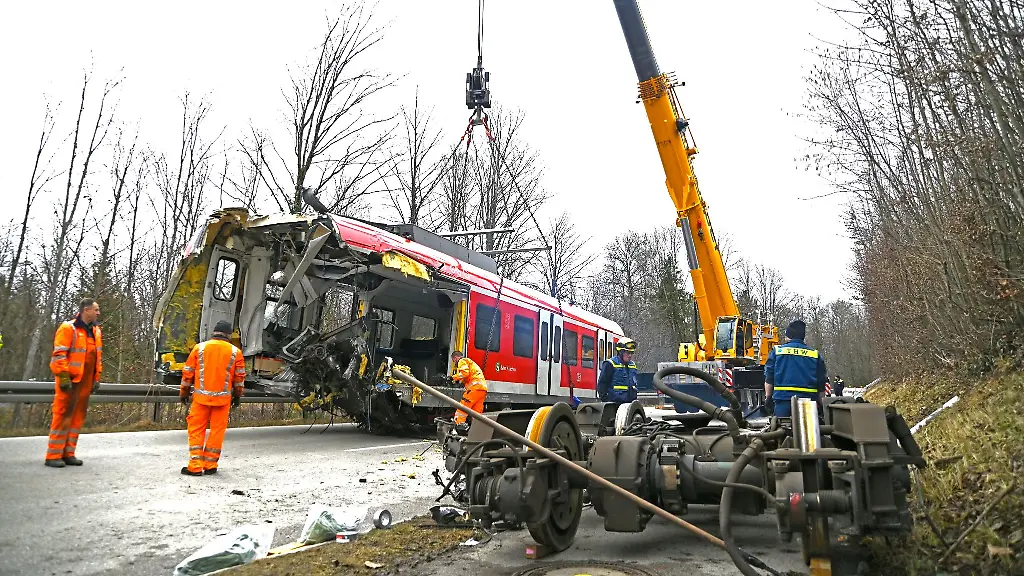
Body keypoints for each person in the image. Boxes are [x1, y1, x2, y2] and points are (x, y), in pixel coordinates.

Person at [180, 321, 246, 476]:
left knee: (196, 430)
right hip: (222, 401)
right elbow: (239, 378)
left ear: (214, 332)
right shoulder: (236, 352)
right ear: (229, 335)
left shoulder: (199, 348)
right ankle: (210, 465)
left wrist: (184, 392)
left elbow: (188, 373)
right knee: (217, 432)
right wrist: (238, 395)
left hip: (200, 399)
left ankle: (195, 466)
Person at [45, 299, 103, 468]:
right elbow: (59, 354)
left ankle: (68, 453)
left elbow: (97, 358)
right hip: (70, 380)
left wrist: (96, 378)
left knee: (77, 416)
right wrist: (63, 376)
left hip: (85, 381)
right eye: (96, 310)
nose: (98, 313)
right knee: (62, 414)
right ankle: (53, 454)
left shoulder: (96, 331)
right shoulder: (68, 328)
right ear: (86, 310)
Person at [763, 320, 827, 417]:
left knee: (782, 429)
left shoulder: (777, 351)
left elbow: (769, 378)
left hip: (783, 401)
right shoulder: (815, 355)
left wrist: (768, 397)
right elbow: (821, 383)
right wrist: (822, 404)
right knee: (808, 431)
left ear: (788, 336)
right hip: (808, 402)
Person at [450, 350, 487, 425]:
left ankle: (458, 425)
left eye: (453, 361)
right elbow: (467, 376)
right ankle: (476, 429)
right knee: (476, 413)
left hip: (474, 388)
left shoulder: (462, 360)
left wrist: (452, 378)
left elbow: (465, 373)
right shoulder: (470, 363)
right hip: (482, 389)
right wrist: (460, 381)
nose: (454, 363)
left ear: (456, 357)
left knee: (463, 407)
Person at [597, 338, 638, 404]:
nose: (630, 355)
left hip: (629, 405)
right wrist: (606, 402)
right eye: (627, 352)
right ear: (620, 352)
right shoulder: (610, 364)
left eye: (631, 353)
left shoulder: (633, 365)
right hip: (614, 404)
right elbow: (602, 384)